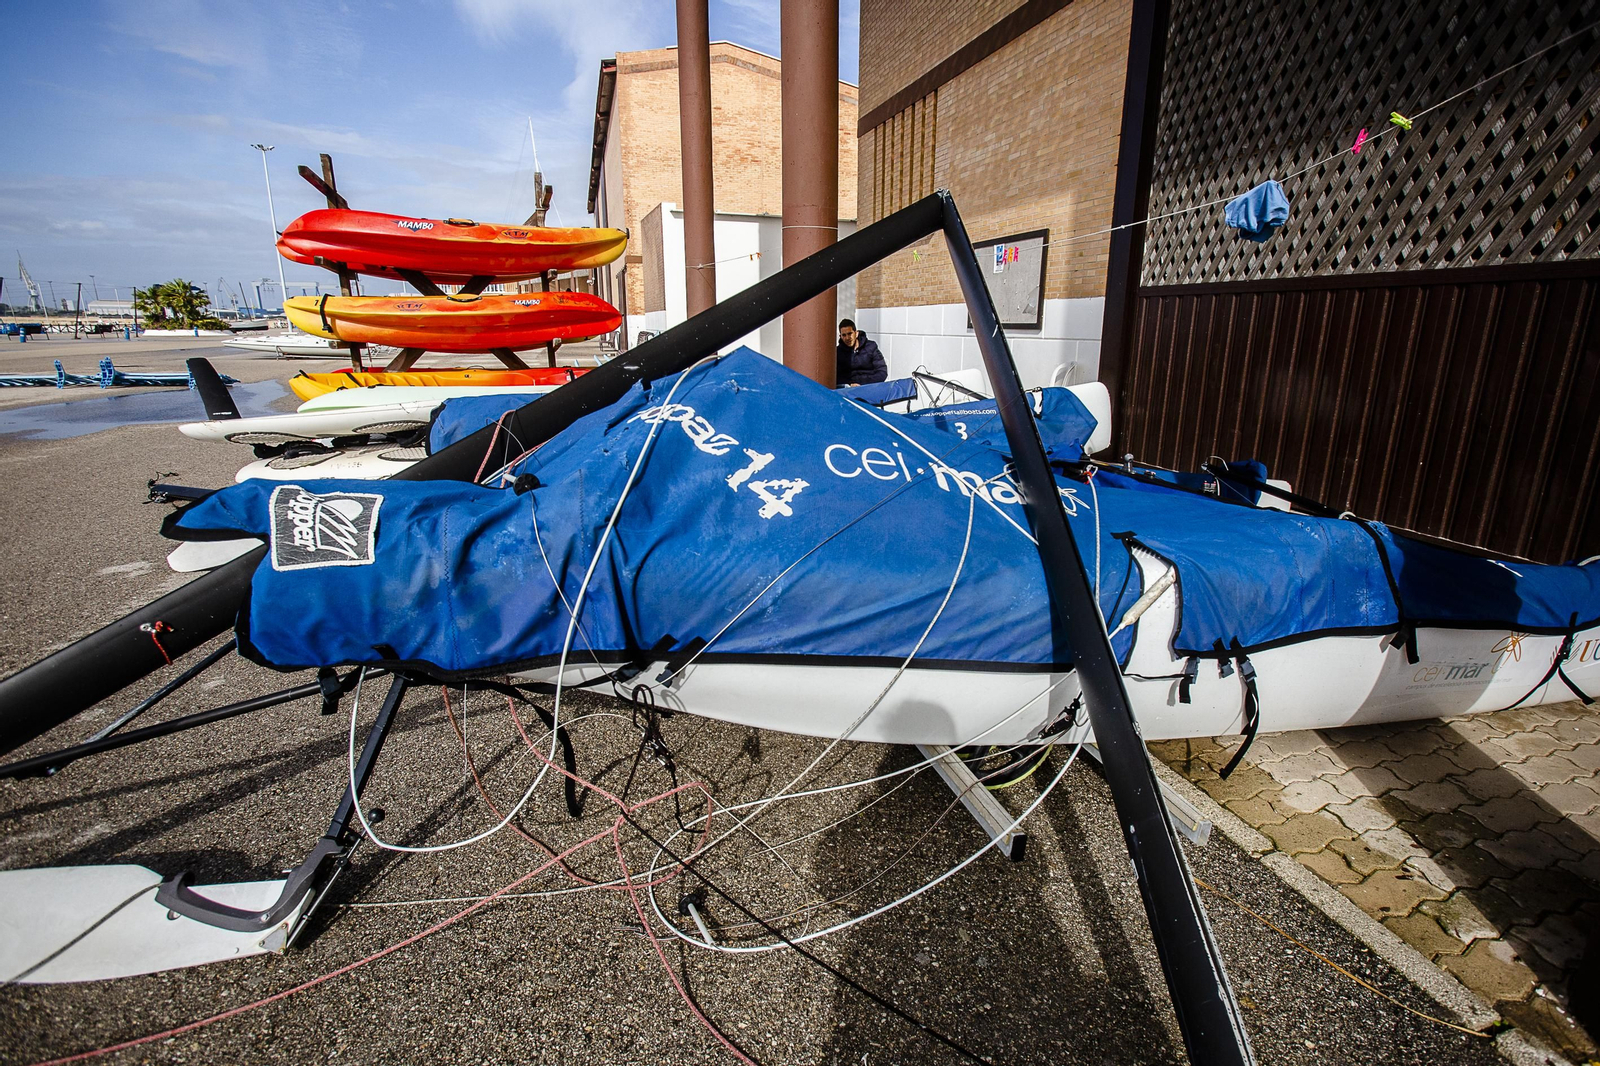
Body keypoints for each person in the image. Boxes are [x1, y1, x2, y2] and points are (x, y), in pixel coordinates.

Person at [835, 318, 887, 385]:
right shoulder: (838, 352)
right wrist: (849, 384)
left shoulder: (871, 347)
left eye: (849, 333)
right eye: (844, 335)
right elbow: (836, 376)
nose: (847, 338)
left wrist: (863, 384)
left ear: (856, 333)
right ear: (840, 336)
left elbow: (882, 372)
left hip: (870, 386)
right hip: (849, 389)